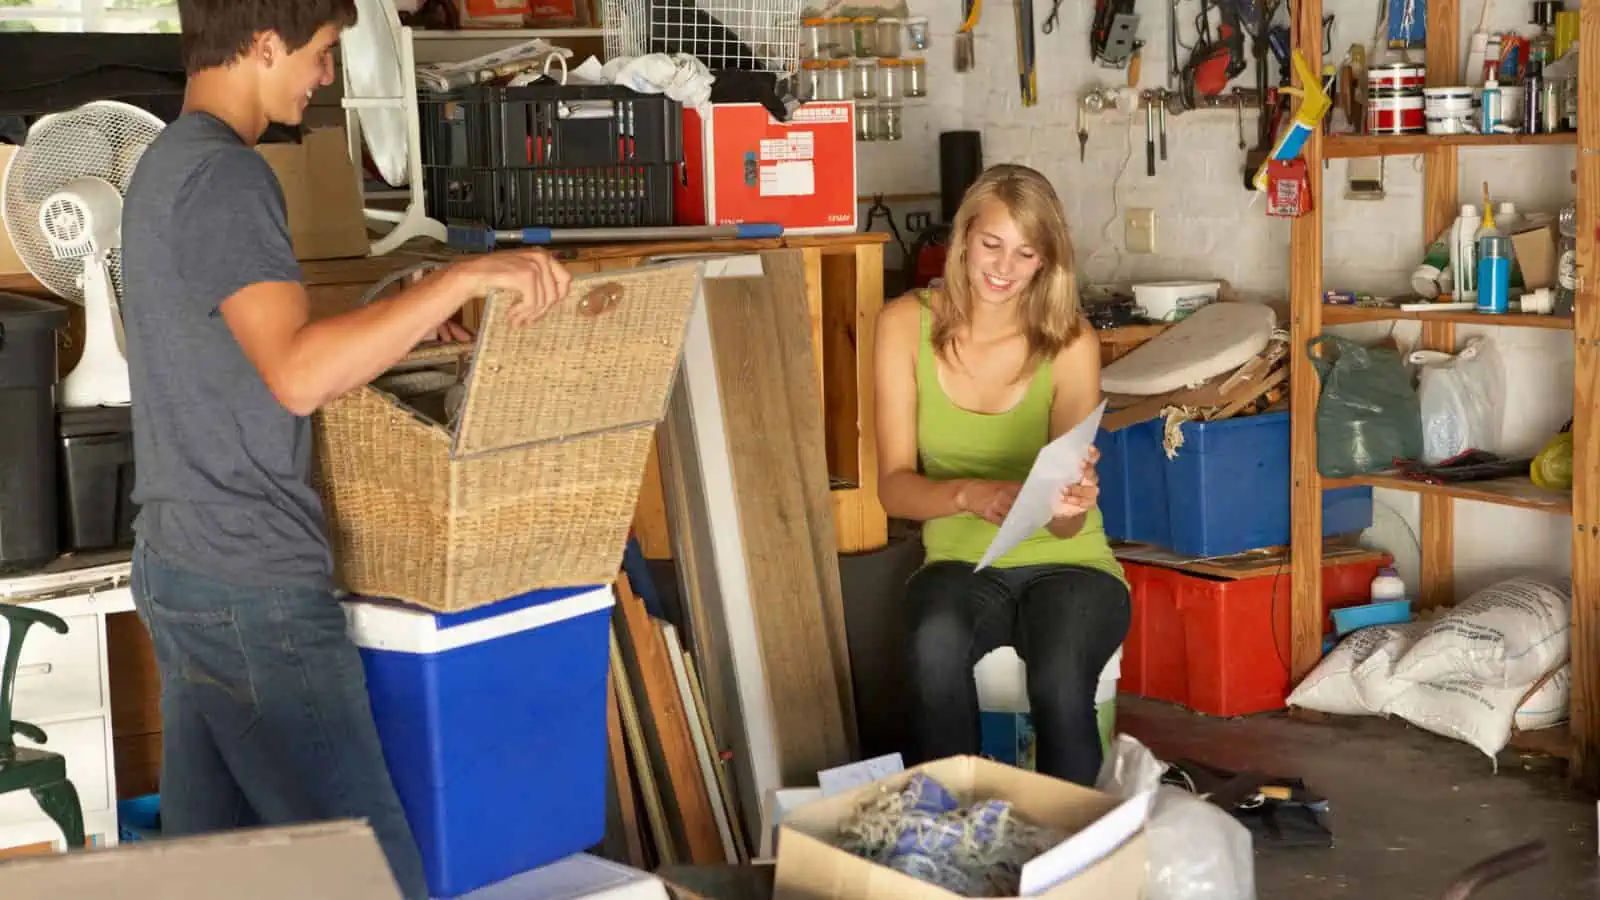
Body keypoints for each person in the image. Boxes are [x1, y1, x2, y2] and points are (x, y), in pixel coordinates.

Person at [119, 3, 571, 896]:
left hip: (183, 566)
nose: (326, 77)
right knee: (375, 878)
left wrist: (406, 328)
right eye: (322, 53)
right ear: (263, 44)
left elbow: (256, 351)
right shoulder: (227, 178)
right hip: (252, 588)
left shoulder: (166, 167)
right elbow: (296, 373)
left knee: (209, 879)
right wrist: (463, 276)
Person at [872, 164, 1129, 787]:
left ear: (1045, 261)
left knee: (1059, 676)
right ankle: (953, 839)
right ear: (962, 239)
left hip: (1073, 567)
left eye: (1026, 252)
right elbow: (893, 486)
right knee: (934, 645)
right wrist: (968, 495)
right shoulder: (904, 325)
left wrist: (1070, 504)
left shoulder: (1069, 340)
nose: (1004, 268)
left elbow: (1068, 525)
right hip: (960, 566)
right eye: (992, 244)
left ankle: (1076, 864)